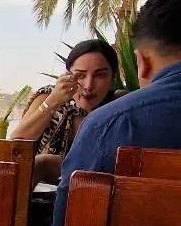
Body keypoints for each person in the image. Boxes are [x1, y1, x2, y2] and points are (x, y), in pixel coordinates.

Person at [46, 0, 181, 226]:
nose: (89, 84)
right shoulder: (71, 112)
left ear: (142, 61)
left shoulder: (110, 125)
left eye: (100, 74)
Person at [11, 39, 119, 183]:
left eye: (100, 75)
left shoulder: (118, 107)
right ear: (67, 75)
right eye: (80, 75)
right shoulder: (48, 96)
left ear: (113, 78)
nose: (88, 85)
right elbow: (16, 143)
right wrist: (54, 101)